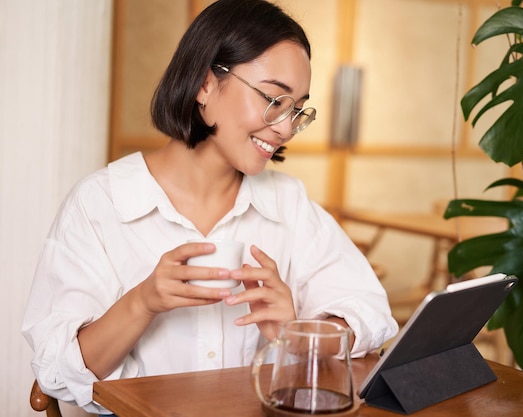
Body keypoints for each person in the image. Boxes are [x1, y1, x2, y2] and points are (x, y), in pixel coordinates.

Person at [21, 0, 398, 414]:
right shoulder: (100, 203)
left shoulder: (287, 202)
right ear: (204, 84)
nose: (287, 127)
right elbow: (56, 371)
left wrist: (298, 332)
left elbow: (370, 312)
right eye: (274, 99)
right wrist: (141, 302)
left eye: (297, 108)